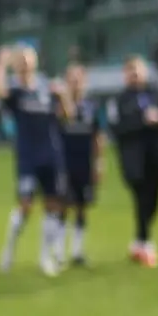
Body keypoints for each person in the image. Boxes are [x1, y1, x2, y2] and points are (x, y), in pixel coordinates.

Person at [0, 43, 67, 275]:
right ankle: (9, 249)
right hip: (28, 157)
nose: (24, 63)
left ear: (35, 62)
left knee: (52, 206)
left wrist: (64, 96)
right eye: (20, 60)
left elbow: (67, 116)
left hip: (51, 155)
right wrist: (0, 64)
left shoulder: (47, 89)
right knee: (25, 205)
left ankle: (45, 256)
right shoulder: (15, 92)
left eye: (28, 59)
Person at [107, 54, 158, 267]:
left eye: (138, 70)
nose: (135, 75)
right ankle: (145, 244)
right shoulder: (120, 100)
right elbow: (117, 128)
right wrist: (142, 121)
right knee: (141, 198)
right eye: (131, 71)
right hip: (134, 158)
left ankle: (139, 241)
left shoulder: (157, 93)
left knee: (154, 200)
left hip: (156, 154)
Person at [57, 61, 101, 269]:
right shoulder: (59, 107)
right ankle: (58, 251)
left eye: (78, 80)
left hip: (85, 162)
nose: (75, 84)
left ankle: (77, 250)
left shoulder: (92, 105)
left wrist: (99, 162)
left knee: (82, 206)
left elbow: (98, 136)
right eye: (71, 80)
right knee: (63, 205)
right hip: (64, 162)